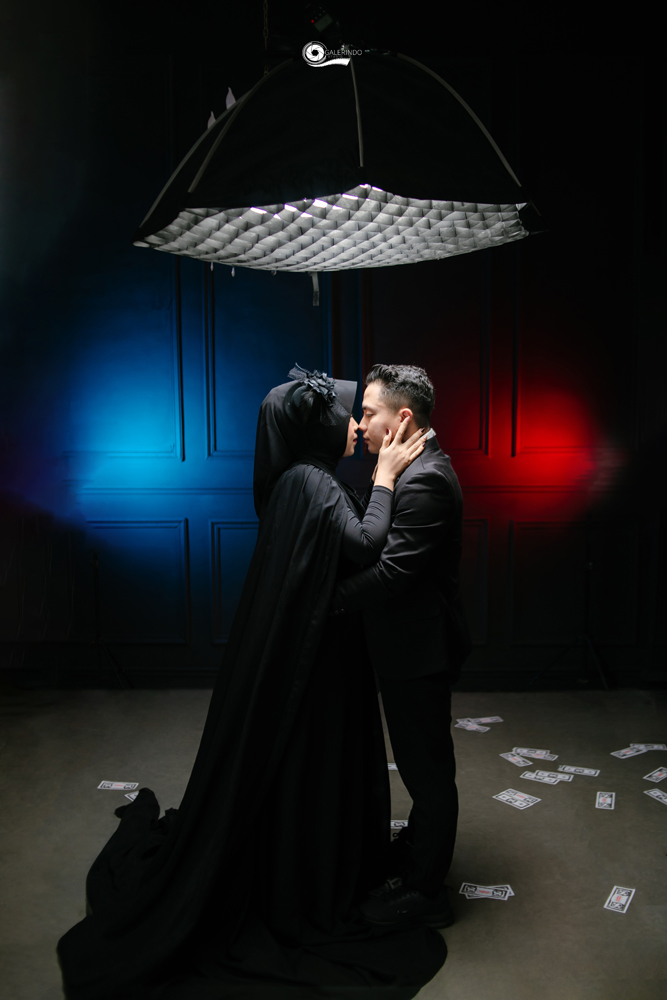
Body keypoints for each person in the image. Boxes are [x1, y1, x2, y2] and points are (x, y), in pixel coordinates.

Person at [56, 365, 448, 1000]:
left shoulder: (304, 480)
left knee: (341, 764)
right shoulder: (312, 482)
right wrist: (382, 479)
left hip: (338, 654)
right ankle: (321, 872)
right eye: (347, 414)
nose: (355, 424)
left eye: (362, 413)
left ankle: (340, 863)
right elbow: (367, 544)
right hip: (323, 660)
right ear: (319, 426)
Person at [330, 363, 472, 928]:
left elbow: (393, 574)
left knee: (427, 771)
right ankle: (416, 858)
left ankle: (425, 894)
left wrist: (325, 600)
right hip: (404, 643)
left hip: (419, 650)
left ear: (402, 417)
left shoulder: (427, 478)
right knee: (420, 764)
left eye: (368, 413)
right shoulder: (405, 465)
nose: (360, 424)